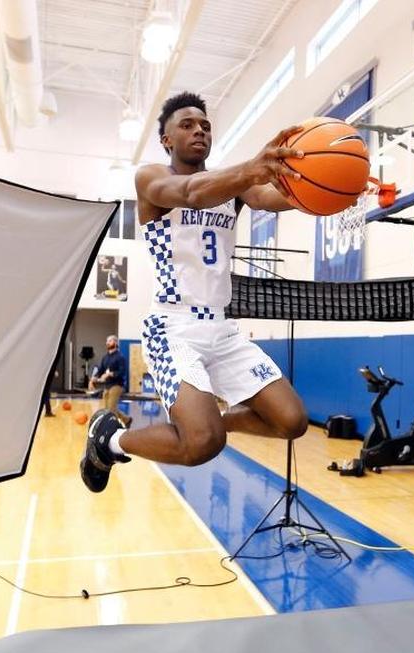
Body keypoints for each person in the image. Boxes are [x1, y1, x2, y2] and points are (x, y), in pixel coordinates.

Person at [80, 91, 318, 492]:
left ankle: (204, 421)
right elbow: (190, 192)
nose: (199, 131)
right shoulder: (151, 177)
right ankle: (109, 440)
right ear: (167, 140)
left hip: (222, 330)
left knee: (291, 421)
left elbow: (273, 197)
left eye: (205, 126)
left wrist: (331, 190)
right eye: (187, 125)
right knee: (203, 444)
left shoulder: (235, 186)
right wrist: (251, 168)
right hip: (172, 328)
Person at [89, 335, 130, 426]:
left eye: (110, 341)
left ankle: (114, 428)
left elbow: (122, 372)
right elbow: (100, 370)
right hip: (107, 385)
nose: (107, 342)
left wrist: (109, 374)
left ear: (115, 343)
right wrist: (93, 379)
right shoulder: (105, 357)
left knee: (111, 409)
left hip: (117, 385)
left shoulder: (120, 357)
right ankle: (126, 420)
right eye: (107, 341)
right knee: (108, 409)